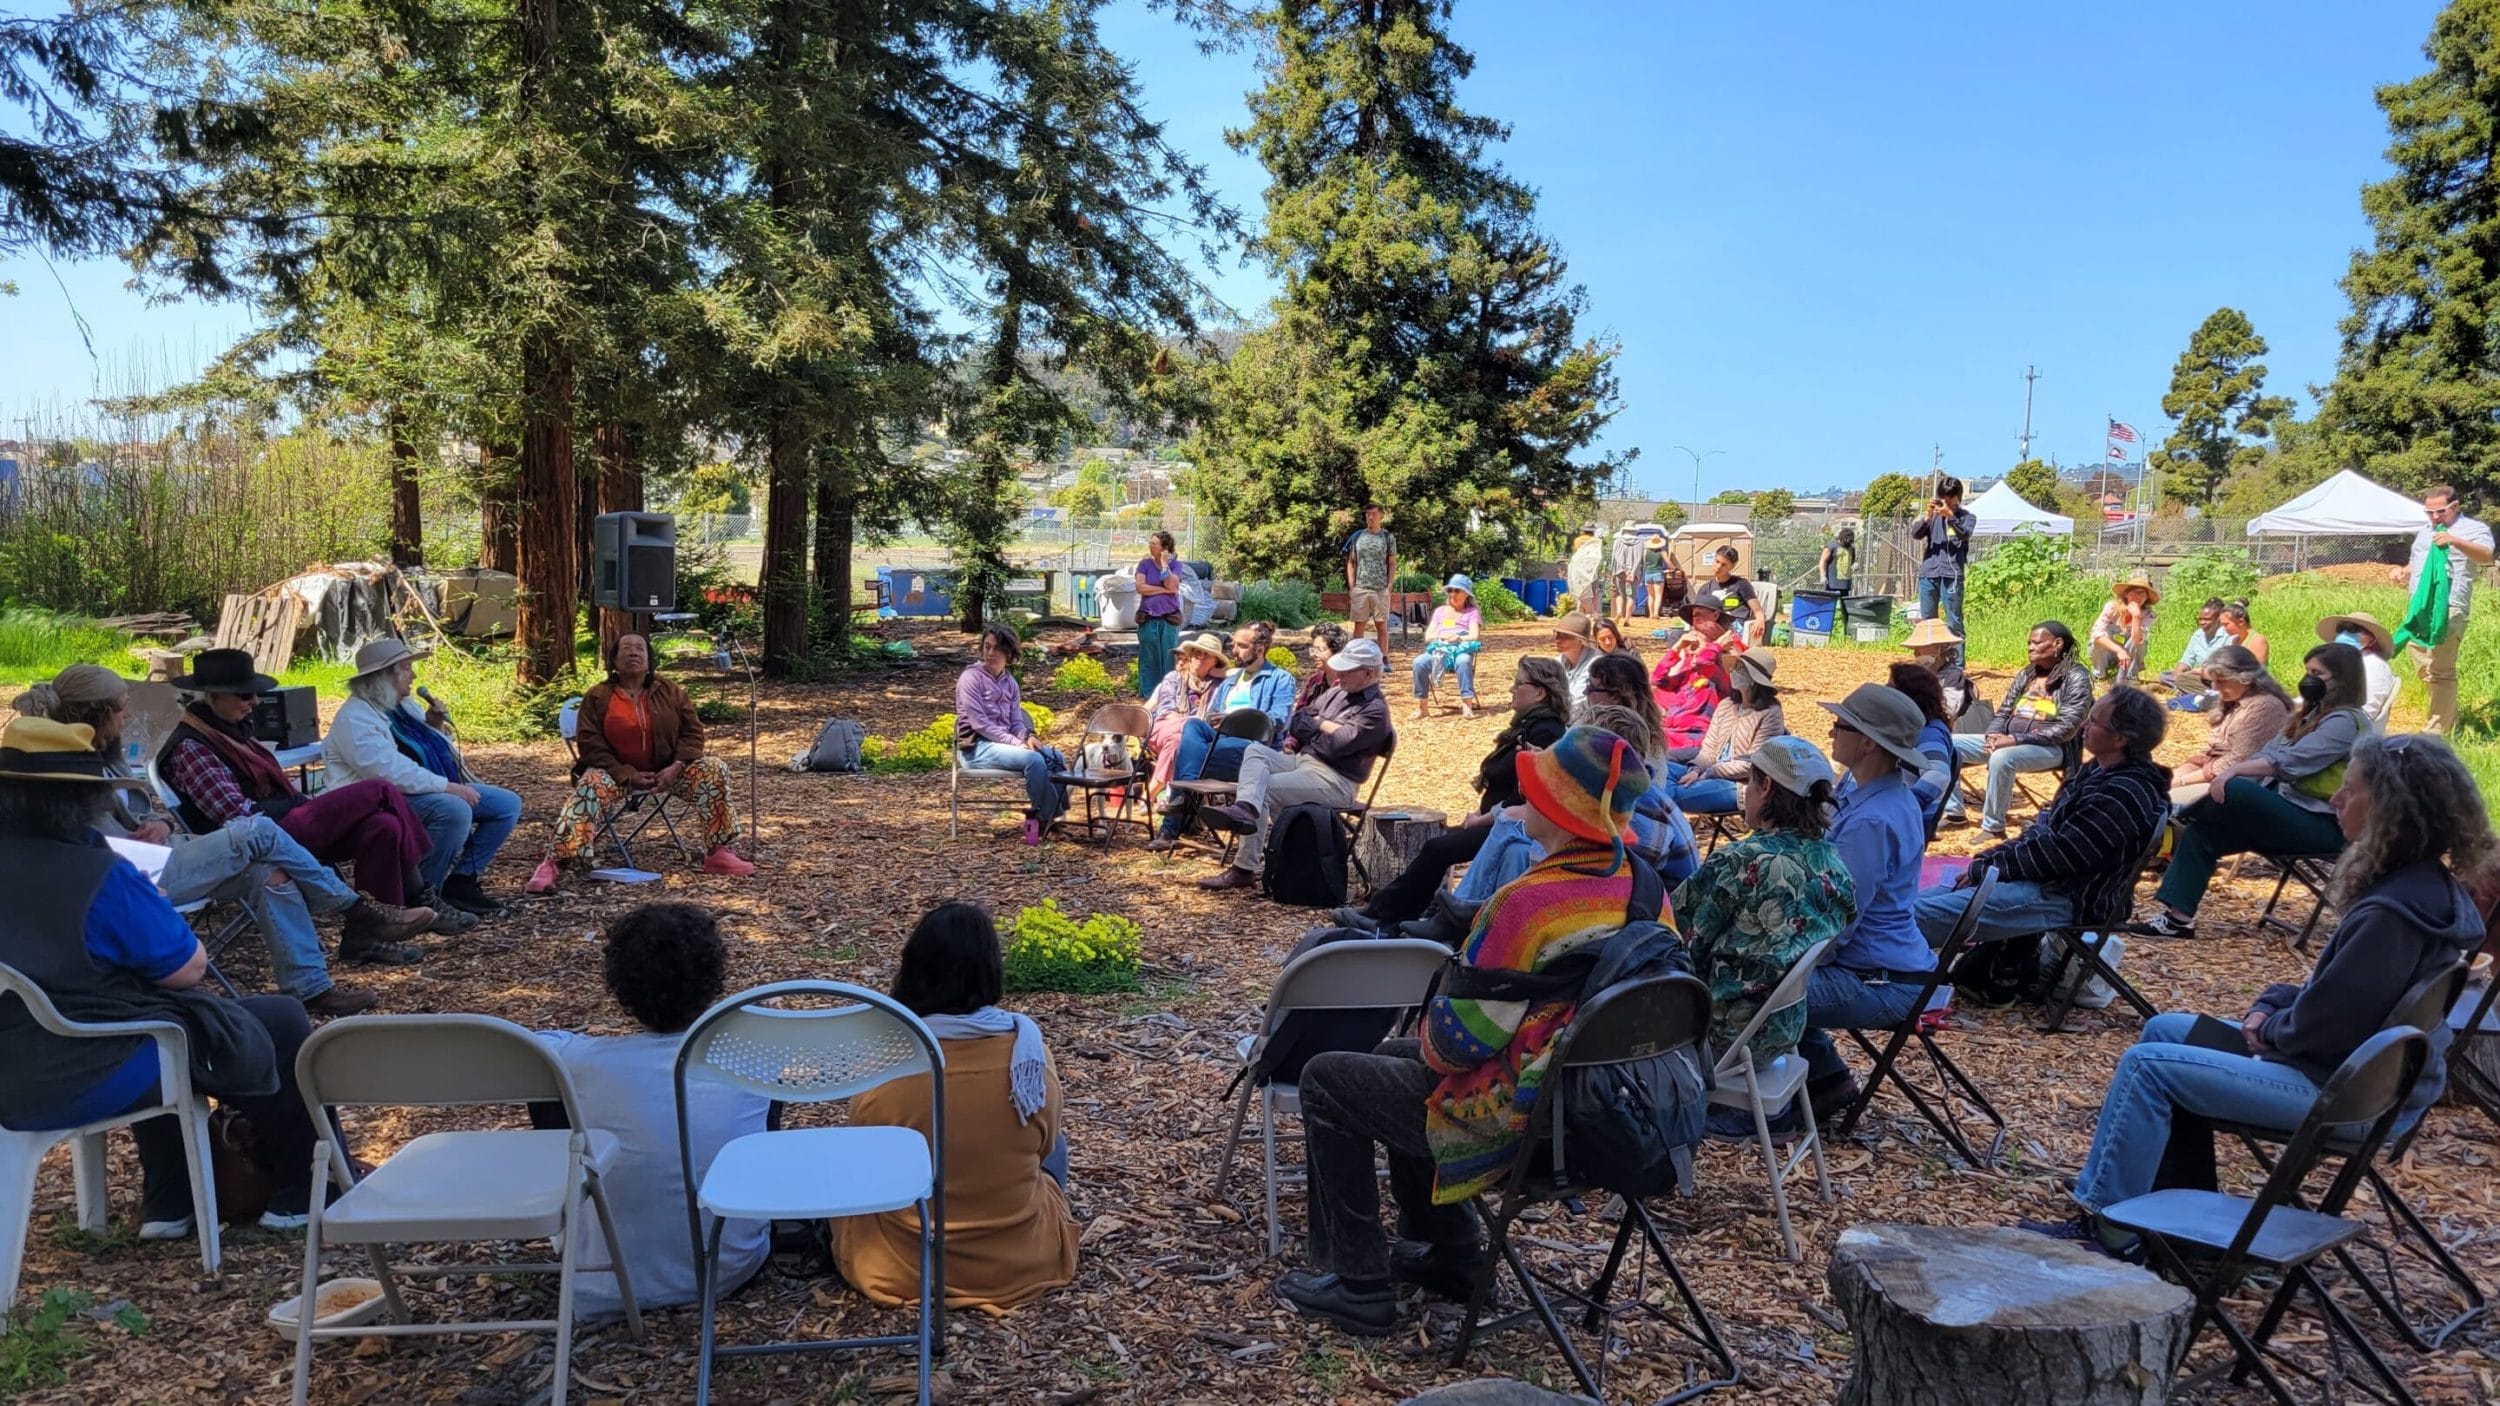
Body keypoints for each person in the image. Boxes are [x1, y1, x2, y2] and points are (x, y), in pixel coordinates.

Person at [2040, 732, 2493, 1246]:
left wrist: (2271, 1028)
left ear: (2393, 810)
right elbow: (2342, 996)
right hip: (2361, 1077)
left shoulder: (2392, 912)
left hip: (2343, 1094)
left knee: (2148, 1069)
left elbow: (2325, 1028)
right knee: (2166, 1029)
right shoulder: (2424, 887)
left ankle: (2108, 1229)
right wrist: (2273, 1007)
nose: (2335, 801)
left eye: (2350, 790)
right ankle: (2170, 1214)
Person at [1274, 728, 1652, 1334]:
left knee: (1329, 1079)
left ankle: (1360, 1282)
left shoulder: (1527, 905)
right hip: (1610, 1109)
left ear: (1556, 809)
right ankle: (1454, 1255)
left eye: (1530, 792)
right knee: (1390, 1058)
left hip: (1524, 1119)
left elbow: (1455, 1045)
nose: (1518, 802)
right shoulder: (1644, 888)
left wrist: (1435, 1028)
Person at [0, 716, 327, 1238]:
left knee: (147, 1020)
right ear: (80, 804)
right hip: (84, 1073)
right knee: (270, 1018)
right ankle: (304, 1188)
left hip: (11, 1070)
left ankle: (170, 1202)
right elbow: (187, 969)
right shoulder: (98, 873)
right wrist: (156, 910)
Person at [12, 668, 427, 1011]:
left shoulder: (104, 756)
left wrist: (160, 824)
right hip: (131, 878)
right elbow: (75, 848)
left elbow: (142, 813)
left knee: (270, 873)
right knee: (259, 831)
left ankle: (310, 987)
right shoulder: (58, 767)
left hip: (161, 855)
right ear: (98, 713)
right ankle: (356, 910)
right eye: (122, 710)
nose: (128, 718)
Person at [837, 903, 1078, 1311]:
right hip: (1020, 1262)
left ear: (912, 969)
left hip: (902, 1264)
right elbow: (1042, 1146)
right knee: (1057, 1147)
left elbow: (867, 1153)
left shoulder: (886, 1060)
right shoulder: (1028, 1055)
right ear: (991, 970)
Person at [535, 903, 771, 1319]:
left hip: (598, 1279)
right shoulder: (755, 1055)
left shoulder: (573, 1061)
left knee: (550, 1092)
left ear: (619, 987)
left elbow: (528, 1045)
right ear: (714, 978)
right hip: (727, 1266)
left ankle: (568, 1201)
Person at [158, 649, 436, 913]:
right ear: (212, 696)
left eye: (255, 693)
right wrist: (300, 806)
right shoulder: (192, 746)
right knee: (380, 789)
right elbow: (237, 817)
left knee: (382, 826)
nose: (254, 702)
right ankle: (420, 892)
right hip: (255, 840)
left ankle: (376, 925)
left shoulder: (228, 730)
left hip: (278, 825)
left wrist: (300, 804)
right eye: (245, 694)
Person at [1674, 735, 1856, 1137]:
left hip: (1722, 1034)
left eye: (1749, 783)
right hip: (1782, 1027)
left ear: (1767, 787)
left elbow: (1681, 942)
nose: (1744, 793)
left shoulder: (1742, 860)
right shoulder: (1832, 862)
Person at [2140, 643, 2371, 938]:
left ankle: (2180, 812)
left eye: (2317, 673)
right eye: (2306, 671)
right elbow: (2270, 750)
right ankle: (2177, 921)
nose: (2308, 679)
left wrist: (2233, 772)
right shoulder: (2310, 715)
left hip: (2325, 824)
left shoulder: (2346, 722)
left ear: (2342, 678)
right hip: (2289, 813)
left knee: (2237, 788)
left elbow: (2290, 763)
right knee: (2204, 834)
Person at [1913, 690, 2172, 949]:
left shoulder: (2125, 792)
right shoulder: (2097, 772)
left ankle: (1894, 982)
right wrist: (1989, 861)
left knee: (1907, 919)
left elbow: (2062, 854)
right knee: (1908, 907)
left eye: (2094, 721)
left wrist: (1990, 868)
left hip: (2068, 897)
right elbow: (2044, 832)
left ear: (2119, 739)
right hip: (2045, 882)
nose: (2084, 725)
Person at [1341, 657, 1572, 930]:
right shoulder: (1525, 726)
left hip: (1516, 824)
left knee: (1438, 848)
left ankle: (1387, 917)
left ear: (1540, 692)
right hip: (1498, 818)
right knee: (1438, 846)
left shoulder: (1546, 731)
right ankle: (1394, 915)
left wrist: (1482, 819)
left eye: (1518, 683)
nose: (1511, 689)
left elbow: (1523, 796)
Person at [1799, 686, 1937, 1117]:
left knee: (1746, 990)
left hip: (1881, 981)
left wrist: (1779, 959)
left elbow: (1837, 922)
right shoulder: (1874, 793)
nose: (1830, 730)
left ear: (1867, 743)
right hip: (1882, 967)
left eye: (1841, 725)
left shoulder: (1873, 820)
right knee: (1761, 976)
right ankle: (1826, 1078)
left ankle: (1765, 1099)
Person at [528, 633, 757, 886]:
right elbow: (590, 744)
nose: (633, 653)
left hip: (669, 772)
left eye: (640, 649)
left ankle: (718, 853)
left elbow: (693, 733)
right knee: (590, 784)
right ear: (614, 659)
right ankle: (555, 862)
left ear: (649, 660)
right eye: (626, 648)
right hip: (615, 775)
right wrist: (627, 774)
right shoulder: (598, 696)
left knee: (714, 768)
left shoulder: (671, 691)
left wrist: (676, 766)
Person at [324, 638, 519, 921]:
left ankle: (461, 883)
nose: (414, 675)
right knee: (454, 809)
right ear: (384, 677)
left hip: (413, 790)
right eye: (406, 668)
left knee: (506, 804)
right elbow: (387, 772)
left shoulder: (402, 707)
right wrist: (448, 787)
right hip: (371, 803)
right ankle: (425, 897)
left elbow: (428, 749)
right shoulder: (355, 718)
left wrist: (434, 724)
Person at [1199, 638, 1393, 891]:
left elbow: (1339, 744)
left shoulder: (1375, 711)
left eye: (1348, 669)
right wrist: (1323, 728)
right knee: (1256, 751)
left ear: (1368, 674)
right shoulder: (1338, 691)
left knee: (1262, 788)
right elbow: (1299, 718)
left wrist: (1317, 724)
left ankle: (1243, 868)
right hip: (1304, 762)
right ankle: (1244, 809)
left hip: (1335, 780)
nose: (1341, 673)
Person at [1149, 623, 1300, 850]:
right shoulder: (1231, 680)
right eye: (1234, 644)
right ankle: (1186, 789)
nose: (1234, 650)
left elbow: (1278, 720)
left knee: (1188, 755)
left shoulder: (1279, 679)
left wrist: (1234, 721)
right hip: (1221, 743)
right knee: (1192, 726)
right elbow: (1212, 714)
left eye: (1241, 645)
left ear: (1260, 649)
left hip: (1255, 750)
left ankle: (1174, 817)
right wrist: (1214, 719)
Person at [1943, 621, 2092, 837]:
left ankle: (1993, 826)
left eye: (2036, 642)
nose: (2030, 647)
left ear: (2057, 644)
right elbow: (2003, 712)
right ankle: (1954, 812)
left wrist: (2014, 739)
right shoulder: (2027, 674)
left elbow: (2067, 728)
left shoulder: (2076, 677)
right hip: (2009, 740)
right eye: (2029, 643)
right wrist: (1993, 733)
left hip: (2052, 749)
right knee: (1948, 743)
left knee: (2003, 757)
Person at [939, 622, 1067, 849]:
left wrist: (1027, 736)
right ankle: (1050, 820)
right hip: (976, 748)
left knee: (1055, 757)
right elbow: (980, 724)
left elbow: (1016, 721)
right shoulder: (970, 678)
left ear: (1008, 653)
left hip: (1005, 747)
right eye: (986, 647)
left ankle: (1050, 819)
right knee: (1033, 759)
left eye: (996, 648)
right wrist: (1018, 744)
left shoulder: (1010, 683)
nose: (990, 653)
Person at [2390, 483, 2495, 734]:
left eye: (2441, 512)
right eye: (2430, 512)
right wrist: (2404, 571)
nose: (2435, 517)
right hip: (2419, 608)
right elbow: (2419, 562)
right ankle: (2448, 713)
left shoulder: (2474, 529)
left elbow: (2486, 557)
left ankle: (2438, 732)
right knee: (2422, 662)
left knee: (2441, 670)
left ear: (2455, 506)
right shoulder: (2426, 531)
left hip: (2450, 608)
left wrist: (2455, 541)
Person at [1662, 648, 1785, 816]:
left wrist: (1709, 773)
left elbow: (1753, 763)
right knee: (1657, 769)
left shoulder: (1770, 712)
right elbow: (1709, 748)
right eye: (1734, 667)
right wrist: (1695, 770)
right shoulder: (1727, 704)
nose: (1733, 672)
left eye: (1740, 668)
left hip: (1740, 785)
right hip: (1709, 771)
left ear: (1754, 679)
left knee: (1674, 795)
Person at [2166, 645, 2291, 808]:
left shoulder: (2265, 706)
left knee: (2167, 802)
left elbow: (2238, 760)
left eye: (2221, 681)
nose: (2214, 688)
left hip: (2240, 785)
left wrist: (2182, 781)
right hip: (2217, 776)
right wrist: (2179, 774)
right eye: (2212, 682)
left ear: (2245, 677)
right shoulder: (2233, 702)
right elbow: (2211, 753)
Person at [1652, 597, 1744, 759]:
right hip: (1668, 736)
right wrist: (1677, 648)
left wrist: (1715, 646)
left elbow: (1704, 662)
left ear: (1715, 615)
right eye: (1693, 617)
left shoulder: (1727, 656)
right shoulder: (1690, 662)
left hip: (1697, 740)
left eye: (1700, 615)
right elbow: (1658, 679)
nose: (1695, 621)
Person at [1144, 632, 1229, 802]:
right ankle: (1161, 794)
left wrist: (1223, 673)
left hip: (1188, 739)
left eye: (1207, 655)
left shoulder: (1220, 685)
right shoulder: (1174, 678)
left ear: (1216, 662)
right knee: (1192, 727)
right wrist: (1191, 724)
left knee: (1178, 742)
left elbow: (1216, 715)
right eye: (1198, 652)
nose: (1201, 657)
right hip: (1164, 728)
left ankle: (1152, 794)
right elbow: (1167, 711)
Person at [1876, 661, 1957, 834]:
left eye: (1891, 688)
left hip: (1899, 829)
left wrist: (1906, 806)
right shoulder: (1911, 726)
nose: (1885, 692)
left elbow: (1938, 774)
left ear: (1909, 696)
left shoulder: (1930, 732)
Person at [1911, 476, 1976, 649]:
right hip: (1929, 572)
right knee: (1928, 620)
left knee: (1954, 619)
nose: (1946, 500)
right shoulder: (1933, 516)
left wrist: (1951, 517)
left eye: (1950, 496)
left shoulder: (1967, 517)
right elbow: (1916, 534)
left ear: (1957, 497)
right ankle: (1930, 661)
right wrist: (1927, 516)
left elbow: (1965, 534)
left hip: (1952, 573)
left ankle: (1956, 666)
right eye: (1943, 496)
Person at [1411, 575, 1483, 720]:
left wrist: (1459, 637)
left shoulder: (1472, 612)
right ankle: (1422, 708)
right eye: (1450, 590)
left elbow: (1474, 635)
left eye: (1457, 590)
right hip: (1440, 650)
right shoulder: (1440, 612)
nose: (1452, 594)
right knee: (1419, 662)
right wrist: (1442, 637)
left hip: (1460, 649)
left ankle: (1467, 706)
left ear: (1466, 594)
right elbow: (1428, 636)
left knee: (1463, 661)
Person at [2319, 611, 2399, 731]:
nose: (2345, 633)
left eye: (2353, 630)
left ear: (2371, 639)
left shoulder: (2374, 667)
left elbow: (2365, 712)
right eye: (2341, 629)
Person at [1134, 530, 1184, 700]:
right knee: (1149, 656)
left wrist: (1164, 565)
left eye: (1155, 544)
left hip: (1169, 618)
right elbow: (1140, 587)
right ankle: (1148, 694)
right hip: (1148, 617)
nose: (1151, 546)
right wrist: (1162, 590)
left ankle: (1168, 693)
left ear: (1165, 548)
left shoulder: (1176, 566)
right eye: (1150, 542)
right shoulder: (1144, 564)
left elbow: (1172, 585)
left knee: (1168, 656)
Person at [1343, 506, 1398, 654]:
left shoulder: (1387, 537)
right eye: (1367, 514)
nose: (1370, 517)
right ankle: (1356, 657)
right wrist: (1352, 586)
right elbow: (1351, 562)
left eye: (1373, 514)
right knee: (1359, 626)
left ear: (1381, 516)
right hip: (1361, 588)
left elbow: (1392, 563)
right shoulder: (1357, 537)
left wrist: (1389, 585)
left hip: (1380, 589)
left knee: (1381, 625)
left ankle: (1383, 658)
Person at [2087, 572, 2160, 683]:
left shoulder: (2149, 615)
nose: (2138, 597)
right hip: (2108, 653)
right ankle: (2099, 675)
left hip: (2128, 656)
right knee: (2100, 638)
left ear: (2146, 598)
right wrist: (2119, 651)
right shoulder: (2112, 608)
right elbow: (2097, 634)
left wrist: (2136, 617)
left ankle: (2130, 677)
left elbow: (2137, 641)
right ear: (2126, 594)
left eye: (2142, 594)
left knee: (2141, 642)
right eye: (2134, 593)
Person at [1902, 617, 1971, 721]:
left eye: (1921, 647)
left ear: (1938, 649)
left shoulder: (1953, 676)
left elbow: (1949, 711)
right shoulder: (1913, 674)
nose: (1916, 653)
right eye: (1915, 649)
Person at [2158, 597, 2230, 695]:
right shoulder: (2198, 635)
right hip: (2198, 676)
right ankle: (2183, 687)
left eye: (2206, 619)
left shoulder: (2228, 635)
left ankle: (2186, 690)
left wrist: (2195, 673)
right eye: (2200, 619)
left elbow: (2225, 668)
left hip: (2217, 679)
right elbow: (2187, 659)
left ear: (2218, 620)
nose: (2202, 623)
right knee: (2165, 675)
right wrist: (2179, 671)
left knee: (2183, 680)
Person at [1692, 545, 1759, 635]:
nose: (1719, 566)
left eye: (1724, 564)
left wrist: (1760, 620)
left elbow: (1757, 610)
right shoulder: (1705, 589)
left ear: (1732, 566)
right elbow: (1696, 613)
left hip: (1735, 626)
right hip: (1713, 626)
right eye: (1717, 562)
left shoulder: (1741, 584)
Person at [1552, 611, 1599, 708]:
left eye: (1565, 636)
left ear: (1580, 641)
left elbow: (1578, 702)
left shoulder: (1596, 664)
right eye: (1557, 634)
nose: (1557, 639)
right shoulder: (1557, 662)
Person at [1819, 523, 1857, 595]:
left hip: (1846, 583)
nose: (1848, 542)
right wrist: (1823, 575)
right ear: (1841, 538)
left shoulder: (1851, 548)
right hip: (1833, 583)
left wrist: (1854, 563)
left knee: (1844, 604)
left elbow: (1852, 560)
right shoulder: (1831, 547)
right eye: (1847, 540)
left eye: (1850, 541)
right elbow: (1823, 561)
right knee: (1831, 603)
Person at [1642, 531, 1673, 617]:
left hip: (1648, 573)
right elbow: (1668, 562)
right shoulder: (1662, 551)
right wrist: (1672, 568)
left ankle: (1651, 614)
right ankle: (1656, 613)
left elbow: (1644, 563)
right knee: (1658, 595)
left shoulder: (1646, 551)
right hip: (1658, 573)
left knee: (1650, 596)